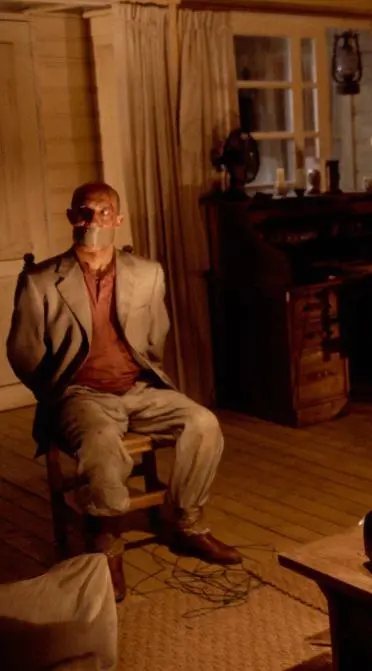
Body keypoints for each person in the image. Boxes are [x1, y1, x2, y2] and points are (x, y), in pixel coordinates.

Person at [7, 182, 242, 601]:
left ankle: (186, 521)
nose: (93, 220)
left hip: (138, 387)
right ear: (71, 217)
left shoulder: (147, 273)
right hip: (80, 393)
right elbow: (24, 353)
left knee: (203, 423)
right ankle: (107, 543)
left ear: (117, 219)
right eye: (84, 211)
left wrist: (134, 373)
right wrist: (57, 394)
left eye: (103, 212)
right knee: (101, 440)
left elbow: (156, 336)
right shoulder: (41, 280)